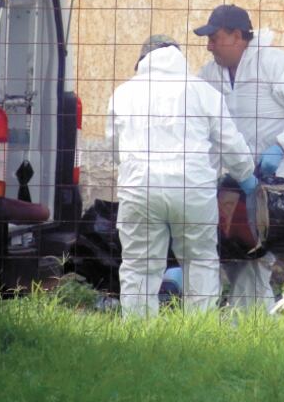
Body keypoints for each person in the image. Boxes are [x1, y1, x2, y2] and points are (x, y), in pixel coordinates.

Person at [106, 35, 257, 317]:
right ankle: (198, 332)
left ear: (143, 61)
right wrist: (247, 175)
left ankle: (137, 334)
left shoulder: (123, 93)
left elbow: (115, 149)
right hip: (192, 189)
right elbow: (230, 143)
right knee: (200, 261)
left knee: (139, 265)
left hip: (140, 188)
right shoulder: (204, 92)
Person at [195, 4, 284, 311]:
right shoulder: (209, 74)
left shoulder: (276, 64)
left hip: (279, 180)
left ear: (237, 36)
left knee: (259, 254)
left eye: (214, 38)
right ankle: (257, 319)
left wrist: (280, 146)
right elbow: (206, 129)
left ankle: (254, 320)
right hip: (237, 180)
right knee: (240, 252)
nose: (209, 46)